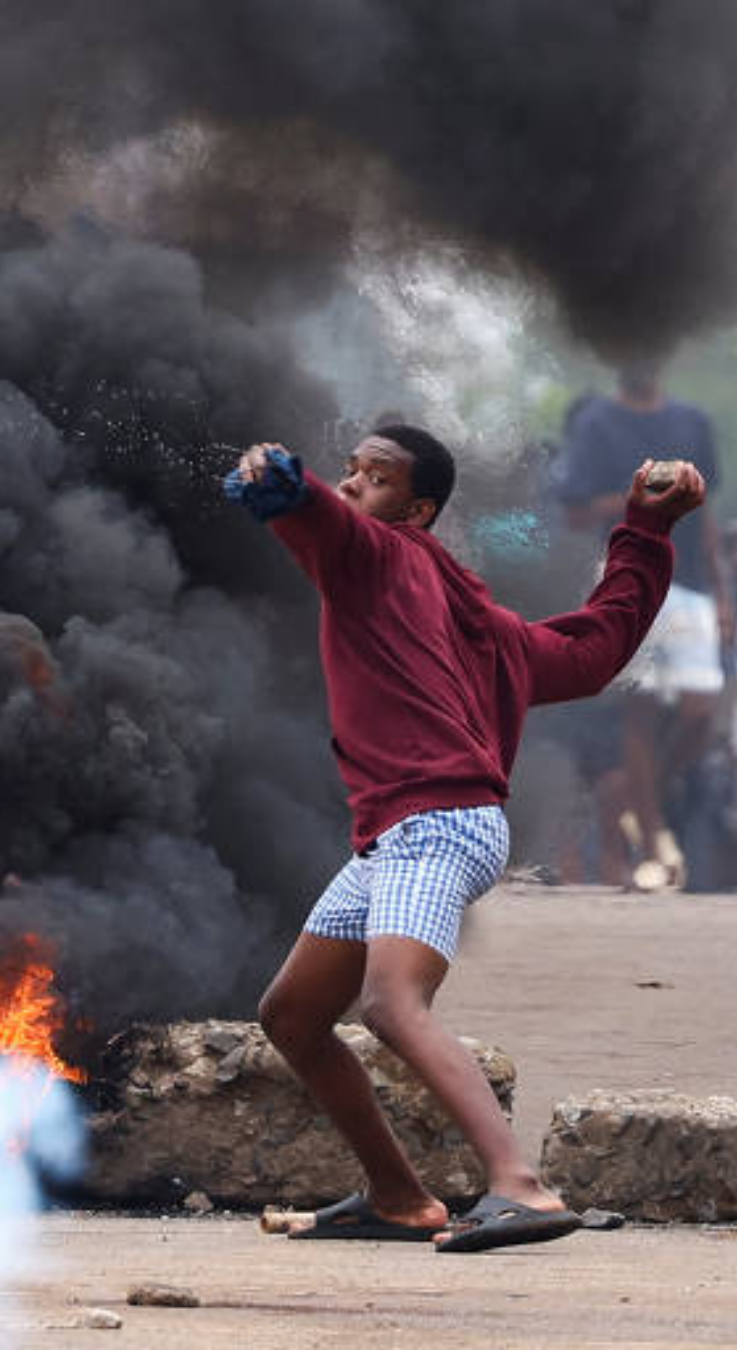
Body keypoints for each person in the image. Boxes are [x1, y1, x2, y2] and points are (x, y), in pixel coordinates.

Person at [223, 425, 704, 1252]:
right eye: (347, 472)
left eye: (372, 479)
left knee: (390, 1004)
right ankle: (398, 1196)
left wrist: (282, 484)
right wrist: (647, 533)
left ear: (416, 511)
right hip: (400, 833)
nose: (351, 486)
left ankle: (523, 1188)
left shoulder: (372, 553)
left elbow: (318, 519)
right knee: (294, 1014)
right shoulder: (483, 623)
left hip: (433, 824)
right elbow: (595, 647)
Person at [556, 363, 732, 888]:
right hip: (628, 572)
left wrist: (723, 595)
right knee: (642, 708)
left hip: (693, 583)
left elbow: (704, 512)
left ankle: (641, 795)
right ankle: (653, 841)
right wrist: (638, 497)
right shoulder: (596, 424)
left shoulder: (692, 421)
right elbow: (575, 514)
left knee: (701, 706)